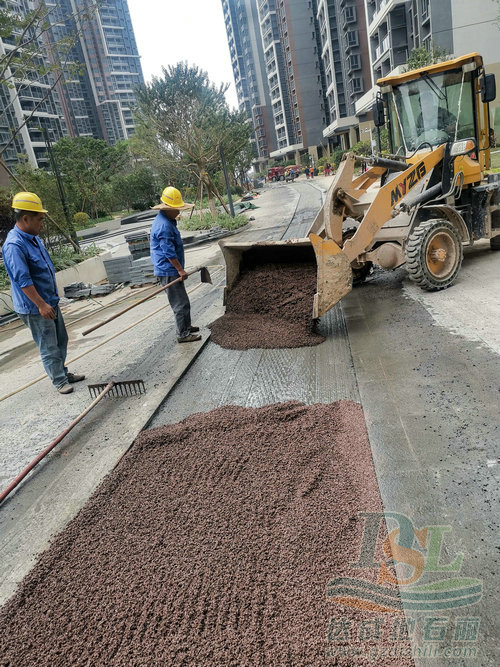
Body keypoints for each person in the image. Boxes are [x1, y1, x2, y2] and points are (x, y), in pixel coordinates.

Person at [2, 192, 85, 394]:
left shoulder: (33, 238)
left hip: (49, 300)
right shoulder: (14, 245)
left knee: (60, 340)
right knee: (48, 345)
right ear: (25, 219)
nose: (42, 223)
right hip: (35, 306)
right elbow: (23, 280)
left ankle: (62, 372)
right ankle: (59, 381)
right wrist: (40, 305)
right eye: (39, 219)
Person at [150, 186, 201, 344]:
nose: (179, 212)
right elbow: (169, 253)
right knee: (180, 304)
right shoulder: (164, 226)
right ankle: (183, 334)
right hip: (168, 270)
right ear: (167, 208)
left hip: (170, 269)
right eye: (176, 209)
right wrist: (180, 270)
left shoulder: (168, 220)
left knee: (183, 301)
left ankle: (186, 326)